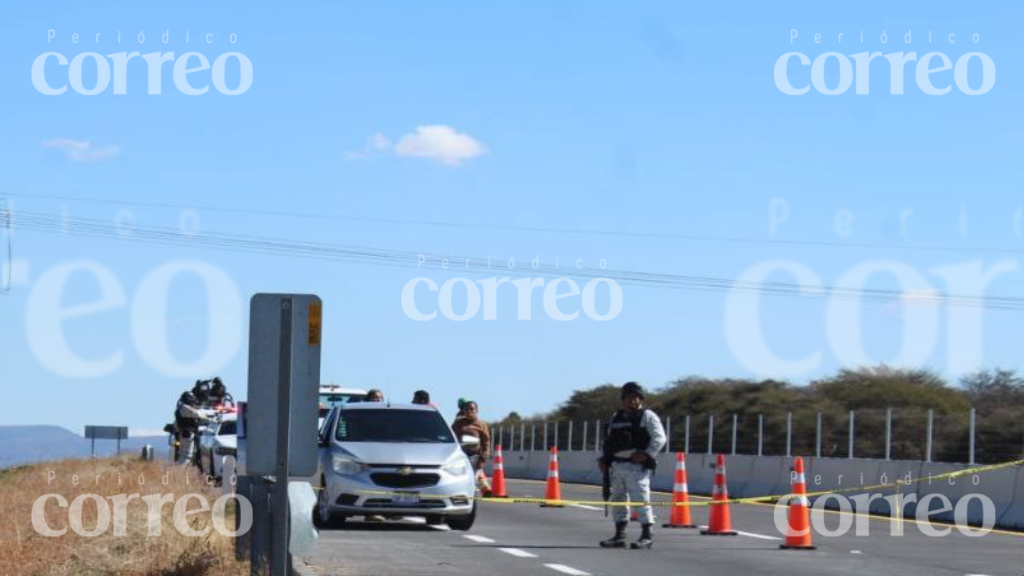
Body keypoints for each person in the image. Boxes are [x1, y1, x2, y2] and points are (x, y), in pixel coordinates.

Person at [598, 382, 666, 550]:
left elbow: (660, 438)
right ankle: (619, 536)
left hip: (636, 467)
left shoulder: (647, 415)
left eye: (636, 398)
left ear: (640, 399)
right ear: (623, 399)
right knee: (618, 501)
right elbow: (609, 441)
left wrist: (646, 454)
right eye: (629, 397)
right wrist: (604, 459)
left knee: (641, 500)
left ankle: (646, 536)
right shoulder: (616, 416)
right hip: (617, 466)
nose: (632, 401)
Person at [451, 400, 492, 495]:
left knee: (472, 477)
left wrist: (484, 457)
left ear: (477, 410)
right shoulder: (458, 423)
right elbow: (451, 436)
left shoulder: (481, 424)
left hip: (475, 455)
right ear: (463, 411)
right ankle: (486, 491)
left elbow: (486, 442)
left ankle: (479, 494)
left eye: (472, 409)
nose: (469, 411)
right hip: (460, 456)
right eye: (466, 409)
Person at [174, 391, 214, 465]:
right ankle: (178, 473)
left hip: (185, 434)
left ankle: (178, 473)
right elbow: (197, 414)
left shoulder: (181, 408)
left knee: (183, 456)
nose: (193, 400)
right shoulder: (185, 407)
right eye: (191, 398)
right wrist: (211, 420)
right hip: (188, 434)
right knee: (187, 457)